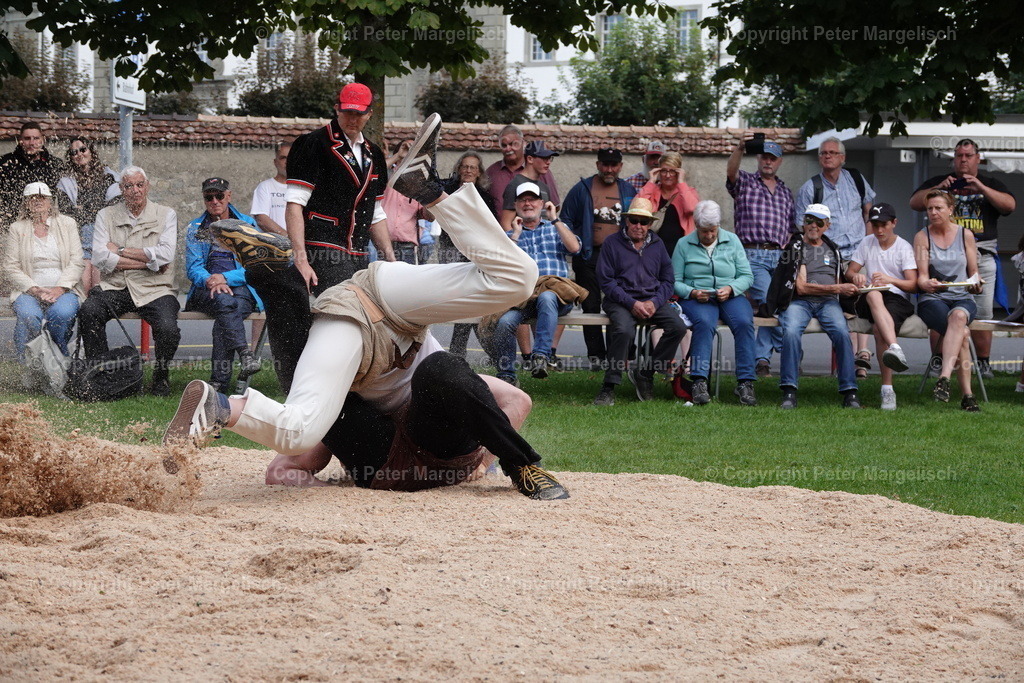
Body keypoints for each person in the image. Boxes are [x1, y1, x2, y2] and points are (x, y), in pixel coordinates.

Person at [166, 114, 569, 501]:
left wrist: (493, 458)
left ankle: (222, 394)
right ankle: (428, 190)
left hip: (356, 330)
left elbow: (514, 401)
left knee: (302, 428)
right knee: (513, 284)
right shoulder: (447, 406)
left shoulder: (388, 416)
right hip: (394, 312)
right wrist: (491, 461)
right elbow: (518, 401)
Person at [910, 139, 1016, 380]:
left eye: (968, 155)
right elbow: (915, 203)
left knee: (981, 311)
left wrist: (980, 187)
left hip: (982, 251)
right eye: (958, 156)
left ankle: (984, 362)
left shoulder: (989, 182)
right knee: (939, 303)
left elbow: (1009, 206)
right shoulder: (941, 183)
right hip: (943, 250)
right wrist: (939, 187)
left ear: (978, 158)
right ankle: (939, 359)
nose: (963, 160)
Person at [79, 166, 181, 396]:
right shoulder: (106, 215)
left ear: (147, 186)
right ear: (121, 189)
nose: (135, 190)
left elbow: (165, 255)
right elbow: (100, 257)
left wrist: (121, 250)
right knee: (89, 311)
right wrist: (148, 261)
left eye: (139, 185)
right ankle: (99, 375)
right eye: (128, 186)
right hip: (115, 286)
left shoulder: (166, 214)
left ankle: (161, 376)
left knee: (168, 328)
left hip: (155, 288)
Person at [286, 81, 395, 294]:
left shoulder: (374, 154)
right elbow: (294, 205)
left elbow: (376, 213)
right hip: (322, 249)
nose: (352, 119)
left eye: (358, 114)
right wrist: (301, 260)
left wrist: (390, 259)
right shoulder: (313, 143)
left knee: (363, 312)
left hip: (358, 253)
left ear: (370, 114)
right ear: (337, 108)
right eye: (347, 112)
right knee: (346, 309)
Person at [593, 197, 688, 405]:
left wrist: (654, 302)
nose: (639, 226)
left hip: (652, 299)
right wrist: (631, 303)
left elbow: (668, 280)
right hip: (619, 300)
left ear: (650, 224)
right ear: (626, 221)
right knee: (624, 330)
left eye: (644, 222)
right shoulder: (611, 243)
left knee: (678, 327)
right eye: (634, 220)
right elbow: (606, 282)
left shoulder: (658, 244)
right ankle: (608, 386)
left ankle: (645, 372)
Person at [766, 204, 861, 409]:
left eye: (819, 222)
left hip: (828, 303)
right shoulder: (797, 246)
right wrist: (838, 288)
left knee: (842, 333)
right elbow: (800, 287)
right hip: (800, 302)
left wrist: (853, 285)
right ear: (803, 222)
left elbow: (844, 276)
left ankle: (850, 392)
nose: (813, 226)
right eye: (809, 220)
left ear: (827, 225)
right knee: (790, 332)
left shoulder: (832, 248)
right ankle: (789, 391)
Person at [795, 137, 876, 377]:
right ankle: (847, 359)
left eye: (832, 152)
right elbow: (802, 223)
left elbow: (868, 211)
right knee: (841, 305)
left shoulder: (857, 180)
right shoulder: (811, 187)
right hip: (830, 254)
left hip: (858, 252)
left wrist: (868, 244)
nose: (827, 156)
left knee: (862, 300)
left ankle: (863, 355)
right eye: (823, 153)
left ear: (843, 157)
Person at [490, 182, 582, 384]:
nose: (527, 203)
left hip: (556, 298)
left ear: (542, 203)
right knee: (505, 322)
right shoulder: (509, 236)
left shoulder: (556, 227)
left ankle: (541, 356)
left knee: (547, 296)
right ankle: (507, 376)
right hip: (525, 300)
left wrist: (555, 219)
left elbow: (575, 248)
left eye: (532, 199)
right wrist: (515, 235)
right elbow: (501, 267)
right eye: (522, 200)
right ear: (515, 205)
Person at [673, 200, 757, 406]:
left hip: (730, 295)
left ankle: (745, 382)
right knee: (704, 323)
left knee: (745, 323)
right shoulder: (683, 244)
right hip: (697, 297)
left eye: (712, 230)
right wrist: (692, 292)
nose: (709, 236)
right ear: (695, 226)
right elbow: (674, 281)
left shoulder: (733, 241)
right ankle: (699, 381)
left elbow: (747, 276)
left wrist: (731, 288)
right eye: (704, 231)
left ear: (719, 225)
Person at [560, 147, 638, 368]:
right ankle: (596, 356)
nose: (609, 169)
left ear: (620, 167)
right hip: (588, 256)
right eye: (605, 164)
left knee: (621, 303)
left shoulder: (628, 190)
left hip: (620, 259)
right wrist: (577, 243)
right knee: (591, 306)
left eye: (614, 164)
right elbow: (566, 219)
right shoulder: (582, 189)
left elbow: (637, 220)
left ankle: (619, 354)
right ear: (598, 164)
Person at [726, 133, 795, 379]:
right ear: (758, 158)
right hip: (752, 253)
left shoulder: (786, 192)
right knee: (768, 302)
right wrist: (740, 148)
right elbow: (731, 172)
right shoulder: (745, 181)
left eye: (773, 158)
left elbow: (791, 227)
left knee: (778, 308)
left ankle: (762, 358)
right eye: (765, 157)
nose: (768, 162)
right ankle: (789, 350)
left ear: (779, 162)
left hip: (780, 256)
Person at [184, 178, 263, 393]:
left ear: (229, 196)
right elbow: (192, 268)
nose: (215, 201)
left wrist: (226, 279)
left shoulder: (247, 225)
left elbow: (255, 266)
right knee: (225, 302)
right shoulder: (196, 228)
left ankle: (218, 383)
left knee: (227, 311)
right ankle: (245, 355)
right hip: (206, 289)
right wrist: (211, 280)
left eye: (219, 196)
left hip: (241, 287)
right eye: (209, 197)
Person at [913, 190, 983, 412]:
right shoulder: (922, 237)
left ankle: (943, 378)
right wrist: (927, 284)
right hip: (933, 298)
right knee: (961, 332)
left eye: (938, 208)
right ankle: (968, 396)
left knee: (959, 317)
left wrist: (976, 283)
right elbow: (921, 277)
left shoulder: (965, 235)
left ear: (951, 210)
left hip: (962, 296)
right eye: (930, 209)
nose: (933, 213)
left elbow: (974, 273)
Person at [844, 203, 918, 410]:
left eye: (883, 225)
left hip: (896, 299)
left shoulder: (904, 247)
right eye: (875, 225)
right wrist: (856, 275)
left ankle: (887, 390)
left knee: (878, 329)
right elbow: (850, 272)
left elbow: (912, 285)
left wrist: (889, 279)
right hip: (870, 297)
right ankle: (895, 348)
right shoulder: (867, 242)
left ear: (894, 223)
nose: (879, 230)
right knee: (874, 293)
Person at [3, 182, 84, 369]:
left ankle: (57, 364)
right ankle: (33, 366)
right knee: (29, 315)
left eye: (42, 197)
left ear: (50, 202)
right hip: (28, 289)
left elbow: (77, 261)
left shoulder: (67, 224)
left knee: (61, 314)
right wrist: (34, 289)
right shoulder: (17, 228)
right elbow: (10, 266)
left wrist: (60, 288)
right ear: (25, 203)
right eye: (32, 198)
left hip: (65, 289)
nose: (37, 201)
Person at [438, 151, 495, 357]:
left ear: (479, 172)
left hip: (474, 253)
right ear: (458, 169)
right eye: (464, 166)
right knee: (461, 299)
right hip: (450, 250)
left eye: (473, 167)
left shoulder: (485, 197)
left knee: (469, 301)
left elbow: (491, 226)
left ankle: (458, 352)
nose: (468, 170)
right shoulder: (447, 190)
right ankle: (490, 353)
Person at [56, 136, 121, 292]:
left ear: (91, 151)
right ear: (70, 157)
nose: (79, 154)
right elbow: (67, 214)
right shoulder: (65, 181)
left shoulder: (109, 177)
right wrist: (94, 209)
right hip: (79, 239)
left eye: (83, 149)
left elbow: (113, 210)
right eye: (73, 152)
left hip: (103, 238)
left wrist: (81, 208)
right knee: (84, 287)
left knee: (98, 287)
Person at [635, 151, 699, 259]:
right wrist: (651, 181)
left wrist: (681, 183)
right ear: (659, 171)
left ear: (679, 172)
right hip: (652, 251)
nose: (668, 175)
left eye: (672, 171)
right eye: (664, 171)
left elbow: (691, 208)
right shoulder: (652, 190)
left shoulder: (687, 192)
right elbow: (637, 208)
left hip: (680, 252)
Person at [0, 122, 64, 229]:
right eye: (27, 138)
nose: (32, 142)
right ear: (20, 140)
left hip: (46, 224)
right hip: (12, 224)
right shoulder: (6, 163)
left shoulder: (55, 164)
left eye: (36, 138)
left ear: (42, 140)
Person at [486, 124, 560, 212]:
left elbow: (555, 206)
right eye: (504, 145)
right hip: (500, 225)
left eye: (513, 144)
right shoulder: (491, 172)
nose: (508, 149)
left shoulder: (541, 171)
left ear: (523, 143)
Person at [499, 140, 559, 231]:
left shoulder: (544, 187)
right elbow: (506, 224)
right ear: (530, 159)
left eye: (550, 158)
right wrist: (516, 243)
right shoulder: (515, 185)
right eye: (544, 158)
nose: (548, 162)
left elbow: (548, 218)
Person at [249, 142, 290, 237]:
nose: (287, 161)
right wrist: (289, 239)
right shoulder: (265, 187)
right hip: (274, 248)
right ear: (275, 162)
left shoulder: (302, 188)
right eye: (283, 158)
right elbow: (262, 220)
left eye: (290, 157)